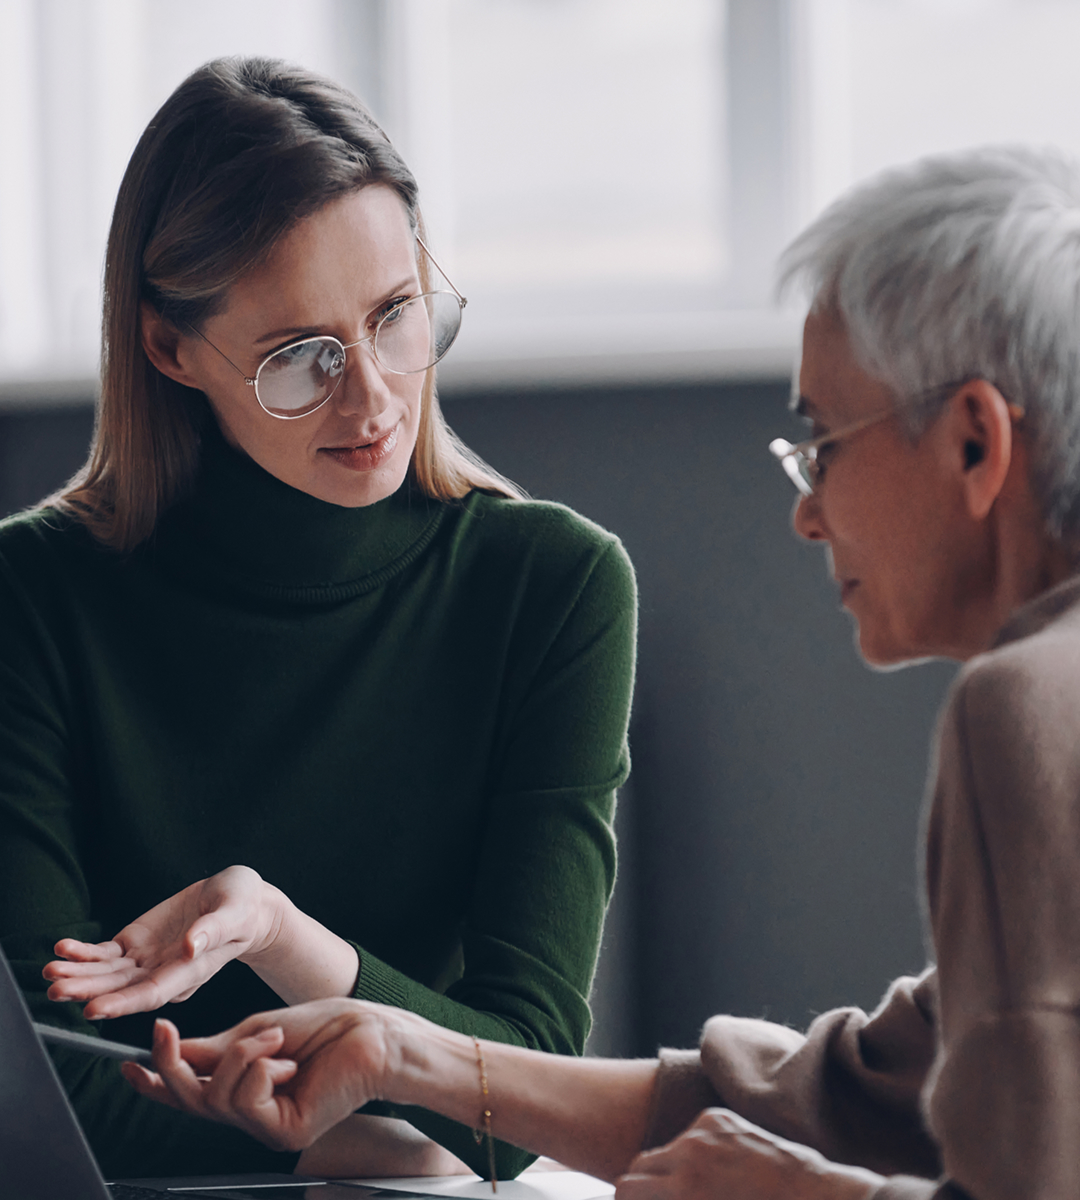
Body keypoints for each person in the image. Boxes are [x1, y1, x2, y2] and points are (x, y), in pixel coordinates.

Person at [129, 143, 1080, 1199]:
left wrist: (806, 1196)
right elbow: (854, 1099)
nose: (807, 511)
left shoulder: (1027, 708)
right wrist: (406, 1053)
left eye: (823, 442)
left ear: (973, 444)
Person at [0, 57, 637, 1181]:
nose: (376, 399)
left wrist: (280, 937)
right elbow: (48, 1085)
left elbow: (528, 1082)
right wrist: (362, 1141)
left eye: (396, 315)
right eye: (302, 358)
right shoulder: (32, 597)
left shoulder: (555, 588)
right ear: (169, 347)